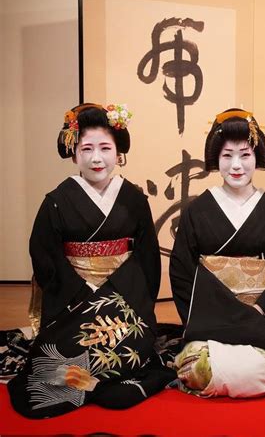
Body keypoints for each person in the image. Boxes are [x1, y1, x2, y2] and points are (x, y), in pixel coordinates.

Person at [7, 103, 175, 418]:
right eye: (87, 149)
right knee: (58, 360)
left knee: (130, 346)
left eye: (105, 148)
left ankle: (100, 382)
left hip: (125, 301)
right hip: (72, 302)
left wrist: (126, 297)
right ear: (74, 154)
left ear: (118, 152)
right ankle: (98, 383)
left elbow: (146, 257)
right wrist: (83, 292)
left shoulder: (134, 199)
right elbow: (45, 256)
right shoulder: (57, 201)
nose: (96, 158)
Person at [170, 108, 265, 397]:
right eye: (227, 155)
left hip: (259, 318)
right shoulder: (198, 210)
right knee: (199, 371)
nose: (236, 165)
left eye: (245, 155)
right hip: (209, 320)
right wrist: (211, 312)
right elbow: (181, 270)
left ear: (257, 158)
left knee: (260, 369)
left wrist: (260, 309)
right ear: (216, 159)